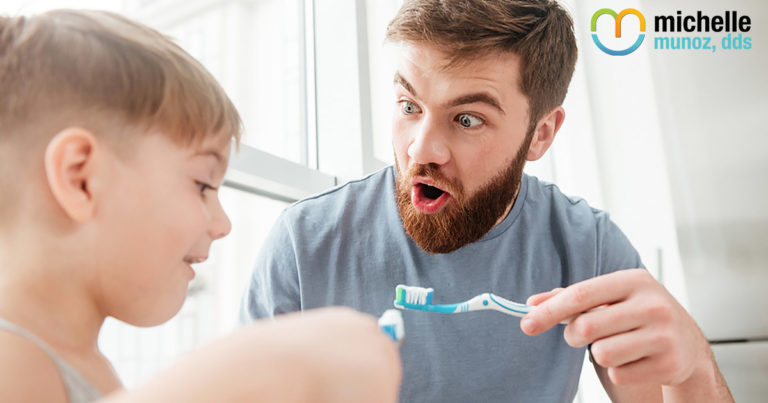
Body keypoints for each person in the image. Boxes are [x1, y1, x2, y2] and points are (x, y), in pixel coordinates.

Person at [240, 0, 733, 402]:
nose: (421, 150)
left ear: (540, 134)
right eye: (409, 107)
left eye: (467, 119)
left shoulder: (591, 250)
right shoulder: (305, 243)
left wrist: (694, 370)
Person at [0, 9, 400, 403]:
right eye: (203, 184)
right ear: (81, 178)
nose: (222, 224)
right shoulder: (12, 361)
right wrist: (260, 368)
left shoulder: (81, 363)